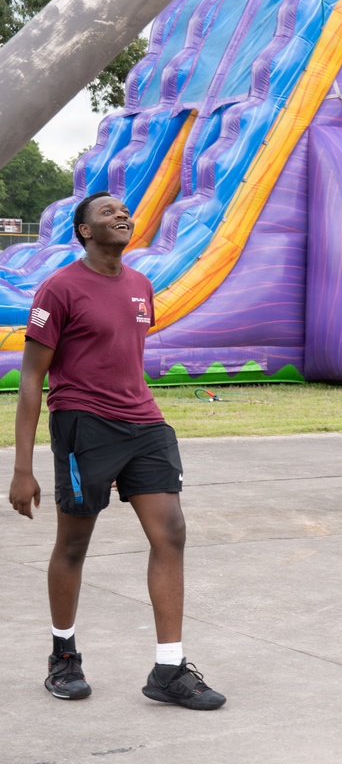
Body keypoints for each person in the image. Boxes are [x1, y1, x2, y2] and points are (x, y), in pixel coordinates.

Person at [8, 191, 225, 710]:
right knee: (75, 543)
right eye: (106, 212)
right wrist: (22, 468)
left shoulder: (141, 285)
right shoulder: (58, 289)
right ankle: (64, 656)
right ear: (84, 231)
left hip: (144, 423)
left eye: (123, 210)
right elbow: (32, 378)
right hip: (84, 425)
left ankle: (169, 670)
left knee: (170, 532)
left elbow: (126, 358)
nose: (120, 215)